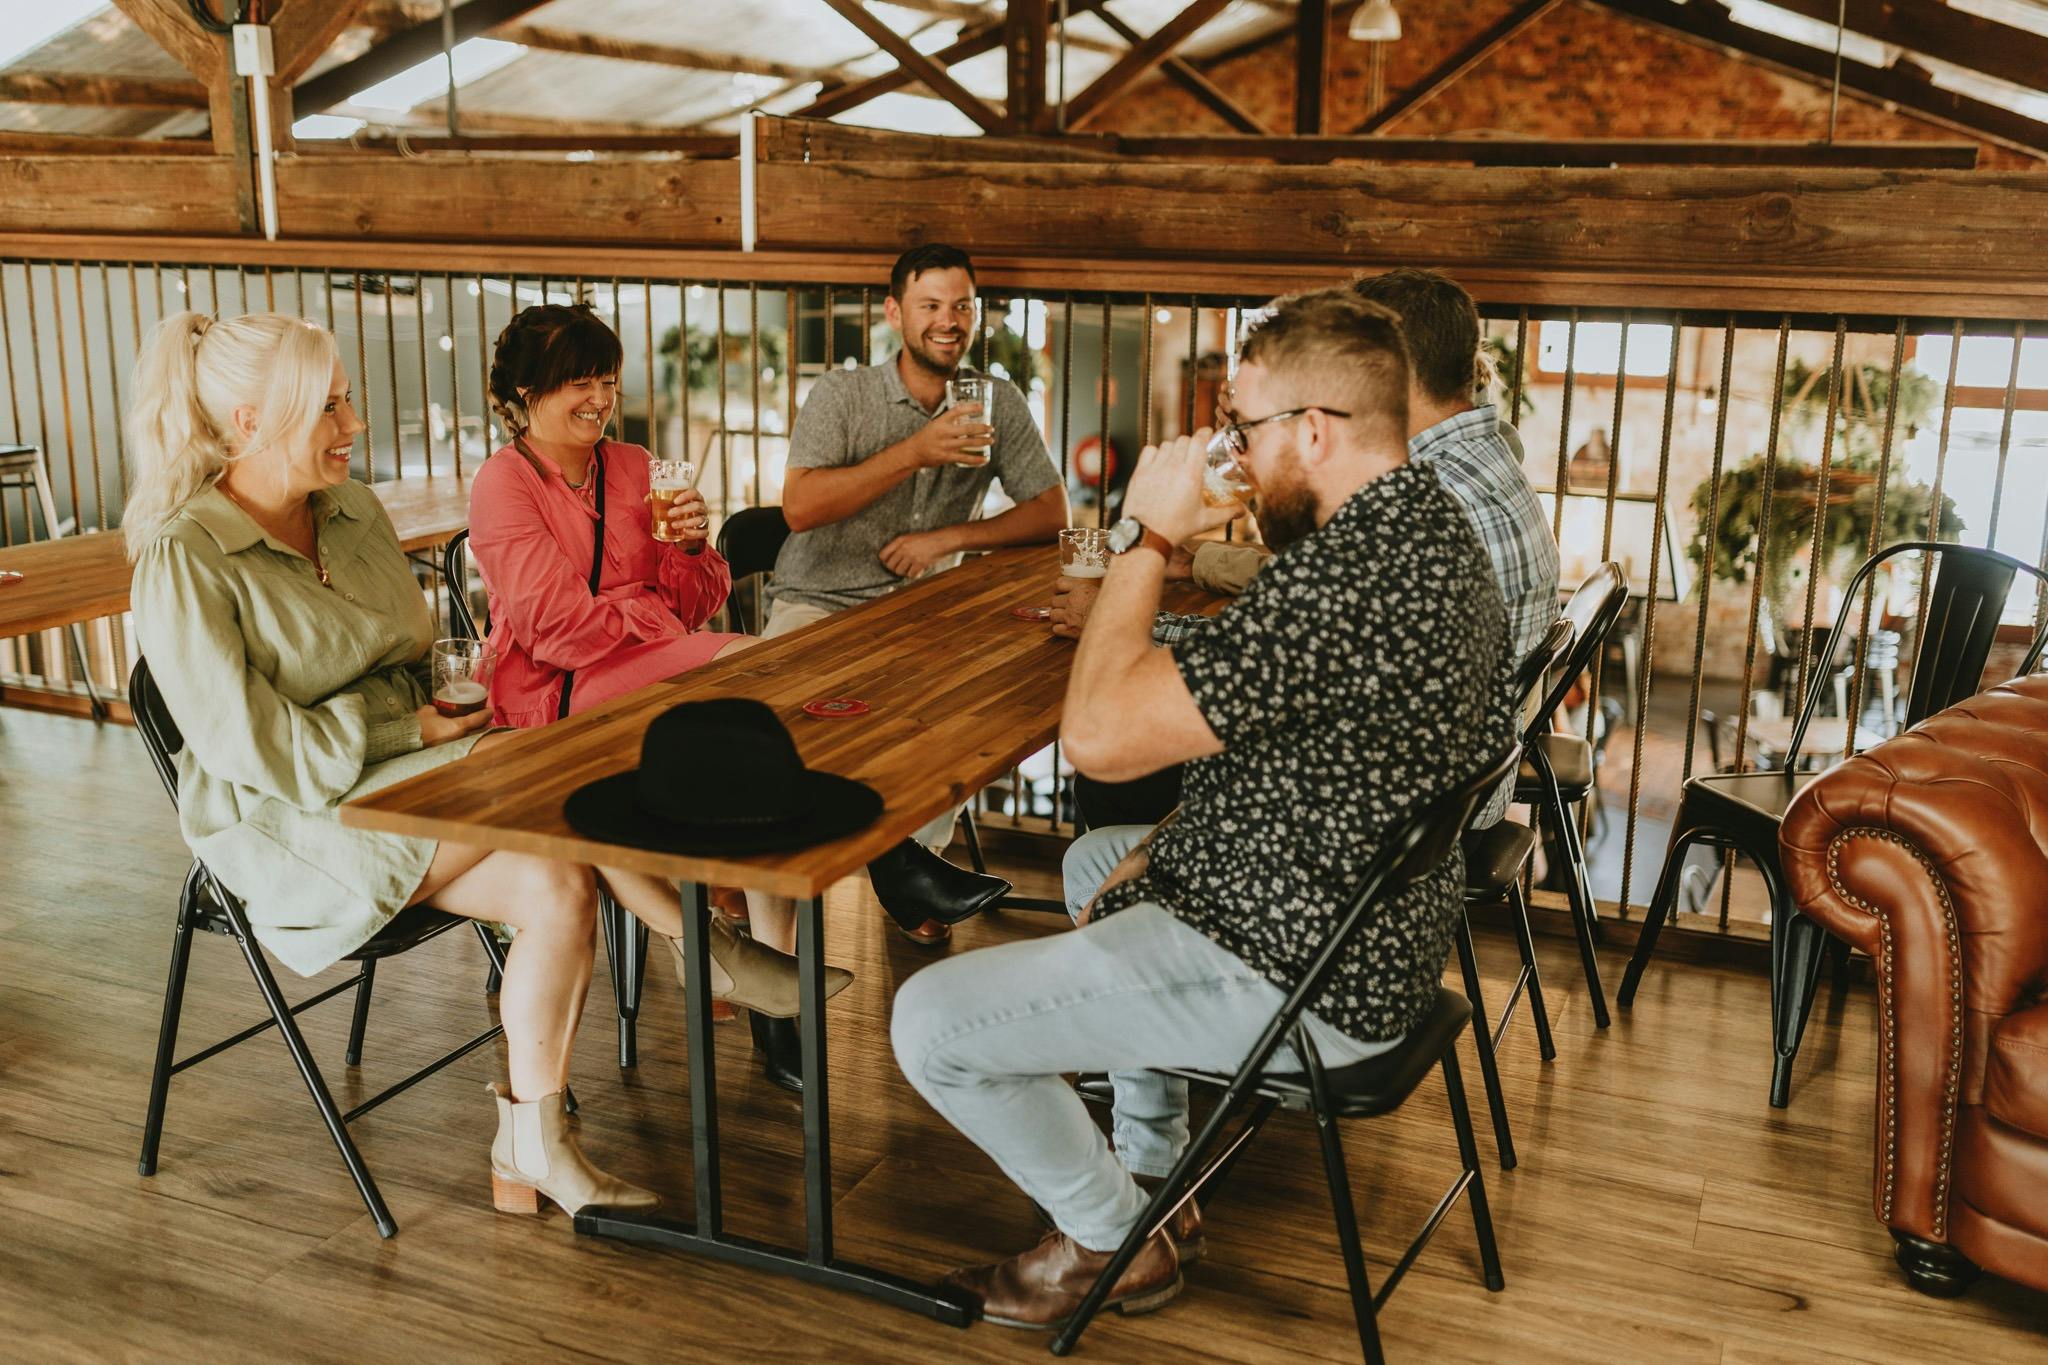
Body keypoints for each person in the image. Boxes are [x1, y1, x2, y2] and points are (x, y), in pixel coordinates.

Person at [891, 289, 1512, 1329]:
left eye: (1243, 428)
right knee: (1100, 856)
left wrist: (1147, 533)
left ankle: (1107, 1239)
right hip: (1360, 923)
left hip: (1307, 972)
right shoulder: (1421, 530)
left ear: (1311, 431)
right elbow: (1315, 741)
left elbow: (1093, 734)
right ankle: (1153, 1180)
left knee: (929, 1021)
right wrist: (1186, 845)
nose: (1232, 451)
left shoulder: (1346, 583)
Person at [124, 311, 794, 1224]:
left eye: (347, 399)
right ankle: (698, 942)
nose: (353, 425)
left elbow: (410, 664)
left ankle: (531, 1147)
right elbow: (256, 750)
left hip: (406, 774)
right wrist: (411, 732)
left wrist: (432, 719)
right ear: (251, 421)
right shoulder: (184, 556)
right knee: (553, 784)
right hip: (285, 820)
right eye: (328, 407)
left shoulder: (352, 512)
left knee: (560, 880)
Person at [466, 302, 849, 1092]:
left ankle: (754, 972)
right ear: (524, 391)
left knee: (758, 734)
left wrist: (692, 546)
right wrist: (650, 615)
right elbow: (553, 632)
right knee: (757, 673)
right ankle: (753, 965)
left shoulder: (636, 467)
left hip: (648, 671)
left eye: (607, 380)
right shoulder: (503, 485)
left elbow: (699, 599)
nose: (599, 399)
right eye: (578, 382)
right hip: (552, 697)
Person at [1052, 265, 1557, 831]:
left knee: (1114, 781)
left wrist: (1142, 544)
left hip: (1377, 822)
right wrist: (1260, 464)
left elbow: (1100, 732)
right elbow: (1310, 586)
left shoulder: (1412, 519)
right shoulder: (1453, 475)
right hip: (1429, 790)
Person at [768, 243, 1071, 945]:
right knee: (781, 730)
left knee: (970, 713)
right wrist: (916, 450)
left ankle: (914, 861)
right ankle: (901, 870)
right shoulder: (843, 394)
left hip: (920, 612)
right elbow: (799, 508)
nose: (948, 320)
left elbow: (1051, 513)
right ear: (894, 313)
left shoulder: (996, 399)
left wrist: (946, 539)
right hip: (818, 601)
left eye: (962, 306)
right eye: (931, 305)